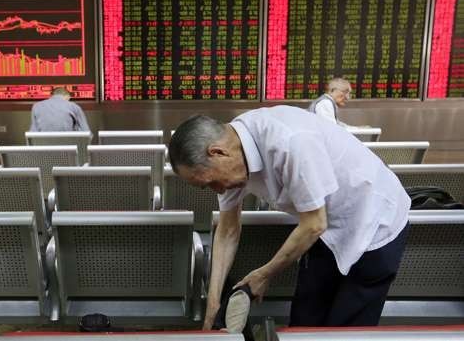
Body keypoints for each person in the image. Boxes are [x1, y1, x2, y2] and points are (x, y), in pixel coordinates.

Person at [168, 106, 410, 330]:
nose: (219, 190)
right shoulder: (233, 150)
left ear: (218, 152)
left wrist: (263, 275)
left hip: (374, 221)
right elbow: (228, 230)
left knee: (347, 330)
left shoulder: (289, 141)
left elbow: (314, 223)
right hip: (324, 229)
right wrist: (212, 307)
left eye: (212, 182)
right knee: (305, 322)